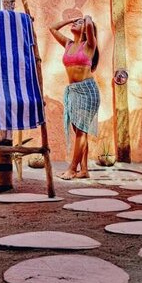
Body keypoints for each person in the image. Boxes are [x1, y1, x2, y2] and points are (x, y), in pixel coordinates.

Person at [49, 15, 100, 179]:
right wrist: (70, 20)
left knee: (81, 131)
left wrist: (87, 20)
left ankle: (72, 169)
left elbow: (91, 26)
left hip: (87, 91)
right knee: (79, 130)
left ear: (86, 28)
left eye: (80, 23)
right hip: (73, 91)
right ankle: (84, 170)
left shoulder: (90, 44)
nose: (76, 24)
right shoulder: (68, 44)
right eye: (75, 22)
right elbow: (52, 28)